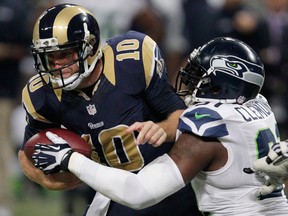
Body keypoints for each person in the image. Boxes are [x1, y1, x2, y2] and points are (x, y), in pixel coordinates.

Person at [32, 37, 288, 215]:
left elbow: (139, 192)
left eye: (199, 75)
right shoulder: (259, 105)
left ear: (221, 83)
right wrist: (164, 129)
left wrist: (70, 160)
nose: (189, 81)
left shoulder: (205, 131)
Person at [18, 3, 202, 216]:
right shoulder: (42, 94)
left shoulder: (131, 60)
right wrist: (50, 180)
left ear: (91, 46)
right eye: (49, 56)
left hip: (166, 176)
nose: (56, 64)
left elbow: (181, 117)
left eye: (65, 54)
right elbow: (27, 152)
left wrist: (162, 129)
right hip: (113, 189)